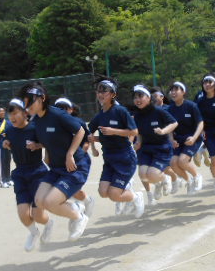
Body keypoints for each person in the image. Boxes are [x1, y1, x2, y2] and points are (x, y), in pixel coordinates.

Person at [21, 82, 91, 241]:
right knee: (39, 201)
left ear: (42, 98)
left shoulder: (57, 114)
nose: (27, 106)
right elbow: (50, 139)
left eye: (30, 102)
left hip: (75, 166)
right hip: (56, 168)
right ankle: (76, 207)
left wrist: (70, 154)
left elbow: (80, 131)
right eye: (25, 103)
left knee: (50, 202)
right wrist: (37, 145)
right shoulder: (36, 120)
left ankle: (79, 217)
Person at [2, 99, 54, 251]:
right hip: (20, 174)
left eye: (15, 113)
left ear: (25, 113)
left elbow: (49, 143)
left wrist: (37, 145)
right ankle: (33, 233)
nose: (12, 117)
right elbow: (8, 139)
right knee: (23, 214)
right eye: (10, 114)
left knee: (38, 215)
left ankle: (49, 224)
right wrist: (6, 143)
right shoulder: (10, 130)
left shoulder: (35, 128)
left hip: (37, 172)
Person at [88, 79, 145, 217]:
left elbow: (134, 131)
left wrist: (114, 131)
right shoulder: (100, 115)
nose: (100, 94)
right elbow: (88, 131)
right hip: (109, 159)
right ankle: (127, 191)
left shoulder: (120, 111)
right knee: (103, 192)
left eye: (104, 91)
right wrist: (93, 144)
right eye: (99, 91)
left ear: (113, 94)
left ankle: (136, 197)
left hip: (125, 157)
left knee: (114, 194)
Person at [132, 84, 178, 206]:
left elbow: (174, 123)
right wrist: (138, 142)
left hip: (161, 148)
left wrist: (163, 131)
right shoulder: (137, 115)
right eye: (135, 97)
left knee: (152, 174)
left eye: (140, 96)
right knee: (142, 174)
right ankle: (158, 184)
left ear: (148, 98)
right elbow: (139, 132)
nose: (137, 99)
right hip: (146, 148)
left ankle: (167, 178)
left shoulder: (158, 111)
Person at [54, 97, 95, 218]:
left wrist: (82, 151)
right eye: (58, 108)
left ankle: (79, 207)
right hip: (60, 161)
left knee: (66, 187)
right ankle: (86, 201)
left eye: (64, 108)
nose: (61, 111)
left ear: (71, 110)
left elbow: (87, 139)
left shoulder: (78, 122)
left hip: (77, 160)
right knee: (65, 188)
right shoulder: (54, 124)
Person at [167, 81, 204, 194]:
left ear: (183, 92)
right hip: (178, 139)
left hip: (192, 138)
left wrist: (194, 137)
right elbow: (170, 127)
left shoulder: (191, 106)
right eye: (171, 90)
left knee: (182, 160)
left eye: (176, 90)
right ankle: (189, 181)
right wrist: (171, 140)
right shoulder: (170, 109)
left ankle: (197, 176)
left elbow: (200, 123)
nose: (173, 92)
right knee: (173, 163)